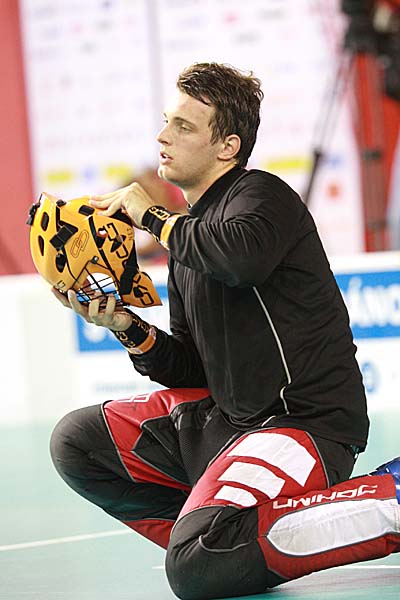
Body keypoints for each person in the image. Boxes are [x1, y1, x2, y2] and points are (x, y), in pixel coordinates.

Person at [49, 62, 400, 600]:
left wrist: (152, 217)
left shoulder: (262, 195)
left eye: (184, 126)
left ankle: (390, 499)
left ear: (227, 147)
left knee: (195, 568)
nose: (163, 137)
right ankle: (225, 539)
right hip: (230, 425)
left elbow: (241, 259)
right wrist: (126, 326)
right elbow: (190, 367)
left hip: (304, 426)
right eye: (166, 121)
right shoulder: (186, 244)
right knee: (77, 442)